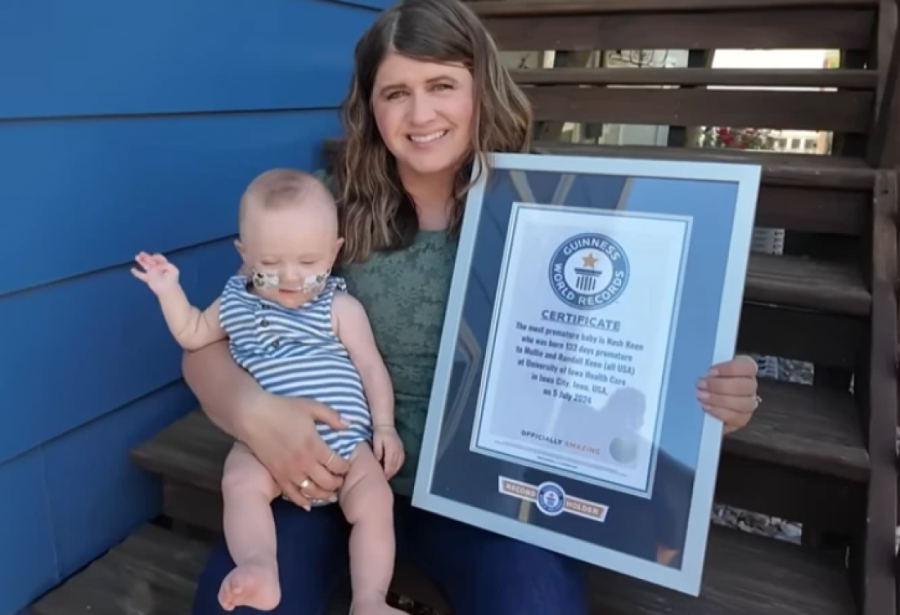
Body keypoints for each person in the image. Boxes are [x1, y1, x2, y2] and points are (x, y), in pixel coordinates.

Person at [185, 1, 762, 613]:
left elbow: (627, 350)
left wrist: (709, 399)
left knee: (536, 602)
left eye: (442, 85)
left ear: (481, 87)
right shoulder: (321, 210)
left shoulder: (552, 207)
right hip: (330, 466)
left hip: (490, 494)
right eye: (396, 93)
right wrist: (254, 412)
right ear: (369, 106)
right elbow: (206, 346)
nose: (421, 114)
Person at [132, 169, 405, 614]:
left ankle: (369, 600)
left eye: (308, 262)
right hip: (267, 446)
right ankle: (260, 567)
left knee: (375, 502)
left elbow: (371, 368)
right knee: (240, 482)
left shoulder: (339, 307)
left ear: (334, 252)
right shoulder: (237, 303)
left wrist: (386, 427)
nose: (290, 278)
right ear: (245, 254)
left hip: (347, 445)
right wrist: (168, 291)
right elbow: (193, 333)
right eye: (271, 264)